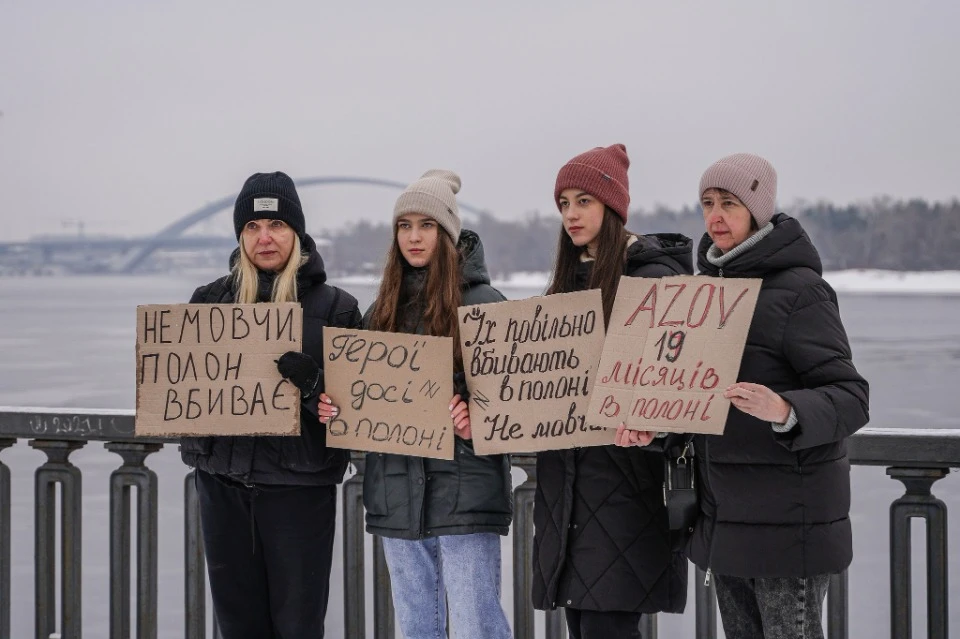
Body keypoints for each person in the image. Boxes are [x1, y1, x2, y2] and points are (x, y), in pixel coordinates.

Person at [616, 153, 870, 639]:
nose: (714, 215)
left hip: (787, 529)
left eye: (729, 203)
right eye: (707, 203)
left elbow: (851, 396)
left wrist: (786, 410)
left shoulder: (801, 292)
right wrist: (658, 425)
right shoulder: (703, 293)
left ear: (757, 210)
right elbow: (694, 399)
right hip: (725, 524)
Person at [179, 171, 361, 639]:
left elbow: (356, 409)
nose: (265, 238)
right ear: (240, 235)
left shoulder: (337, 309)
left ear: (296, 233)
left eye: (277, 226)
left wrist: (314, 385)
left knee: (298, 625)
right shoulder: (208, 302)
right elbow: (183, 390)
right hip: (223, 490)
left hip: (298, 494)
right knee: (238, 626)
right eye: (253, 227)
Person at [532, 144, 692, 639]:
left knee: (608, 627)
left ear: (613, 207)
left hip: (626, 494)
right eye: (563, 203)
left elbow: (685, 394)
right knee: (581, 625)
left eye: (584, 201)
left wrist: (655, 427)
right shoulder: (565, 286)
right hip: (568, 495)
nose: (572, 214)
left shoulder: (654, 282)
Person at [348, 169, 513, 638]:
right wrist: (336, 407)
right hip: (397, 495)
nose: (414, 237)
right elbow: (358, 393)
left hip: (464, 492)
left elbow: (515, 407)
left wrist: (475, 419)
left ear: (447, 233)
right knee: (417, 627)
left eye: (426, 225)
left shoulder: (484, 305)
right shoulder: (380, 310)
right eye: (405, 225)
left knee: (477, 625)